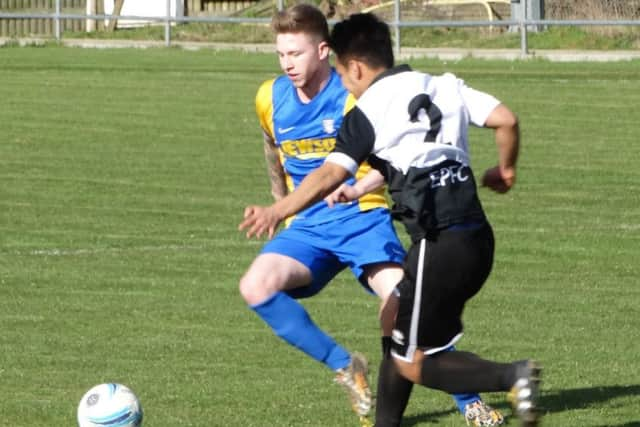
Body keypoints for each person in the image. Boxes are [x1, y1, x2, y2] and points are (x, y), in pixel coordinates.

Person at [239, 11, 542, 427]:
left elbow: (339, 170)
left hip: (400, 232)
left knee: (410, 345)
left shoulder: (364, 105)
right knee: (395, 324)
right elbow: (503, 120)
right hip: (466, 235)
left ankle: (494, 385)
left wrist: (282, 208)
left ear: (346, 63)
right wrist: (505, 171)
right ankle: (367, 392)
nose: (287, 62)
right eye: (280, 54)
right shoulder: (442, 85)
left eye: (296, 52)